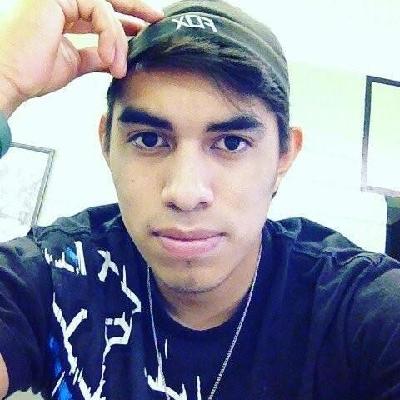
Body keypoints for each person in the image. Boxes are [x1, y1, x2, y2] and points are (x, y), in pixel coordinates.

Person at [0, 0, 400, 399]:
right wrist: (4, 82)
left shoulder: (358, 310)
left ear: (284, 156)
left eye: (231, 143)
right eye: (149, 139)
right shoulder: (55, 275)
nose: (186, 193)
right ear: (106, 143)